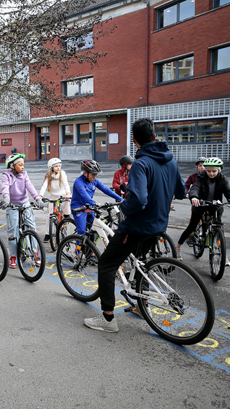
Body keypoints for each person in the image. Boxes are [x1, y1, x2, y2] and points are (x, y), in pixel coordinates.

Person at [84, 118, 185, 333]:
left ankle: (108, 319)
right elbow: (181, 192)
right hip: (159, 224)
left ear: (134, 140)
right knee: (140, 262)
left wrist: (124, 209)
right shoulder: (171, 161)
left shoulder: (141, 163)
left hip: (138, 226)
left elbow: (138, 199)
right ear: (155, 137)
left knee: (107, 265)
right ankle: (143, 306)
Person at [175, 157, 230, 264]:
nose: (211, 173)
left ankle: (223, 254)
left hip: (215, 206)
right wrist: (194, 197)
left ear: (219, 170)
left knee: (218, 229)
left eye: (214, 171)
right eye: (209, 171)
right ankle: (178, 247)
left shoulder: (222, 178)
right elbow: (195, 188)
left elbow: (228, 190)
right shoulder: (201, 177)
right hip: (201, 204)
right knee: (192, 226)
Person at [0, 153, 45, 268]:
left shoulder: (24, 175)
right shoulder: (6, 175)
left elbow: (30, 187)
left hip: (25, 203)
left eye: (23, 164)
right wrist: (6, 198)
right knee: (13, 232)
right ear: (12, 166)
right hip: (12, 205)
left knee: (32, 227)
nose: (23, 167)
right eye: (20, 165)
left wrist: (37, 199)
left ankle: (35, 253)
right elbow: (5, 187)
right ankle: (13, 256)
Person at [70, 159, 123, 238]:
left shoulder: (95, 181)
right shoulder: (79, 182)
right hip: (79, 207)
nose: (95, 177)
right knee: (81, 232)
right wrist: (93, 203)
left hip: (90, 206)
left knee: (95, 229)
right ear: (85, 173)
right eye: (93, 175)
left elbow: (106, 190)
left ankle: (90, 249)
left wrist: (120, 199)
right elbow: (84, 195)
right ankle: (78, 250)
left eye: (96, 174)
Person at [39, 158, 71, 242]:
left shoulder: (62, 174)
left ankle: (67, 215)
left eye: (59, 166)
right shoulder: (48, 175)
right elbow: (44, 186)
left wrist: (68, 193)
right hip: (52, 196)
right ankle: (48, 234)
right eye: (56, 166)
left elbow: (66, 184)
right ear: (51, 167)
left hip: (62, 195)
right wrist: (40, 196)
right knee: (49, 216)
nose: (58, 168)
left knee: (66, 205)